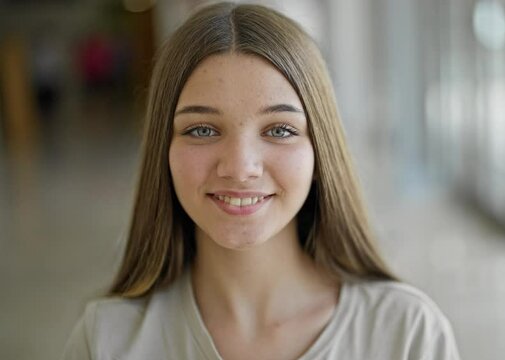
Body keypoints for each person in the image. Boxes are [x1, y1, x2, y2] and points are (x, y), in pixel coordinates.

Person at [62, 2, 460, 359]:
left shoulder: (408, 335)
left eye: (280, 130)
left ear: (321, 152)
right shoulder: (105, 342)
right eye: (202, 129)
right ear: (162, 153)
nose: (240, 167)